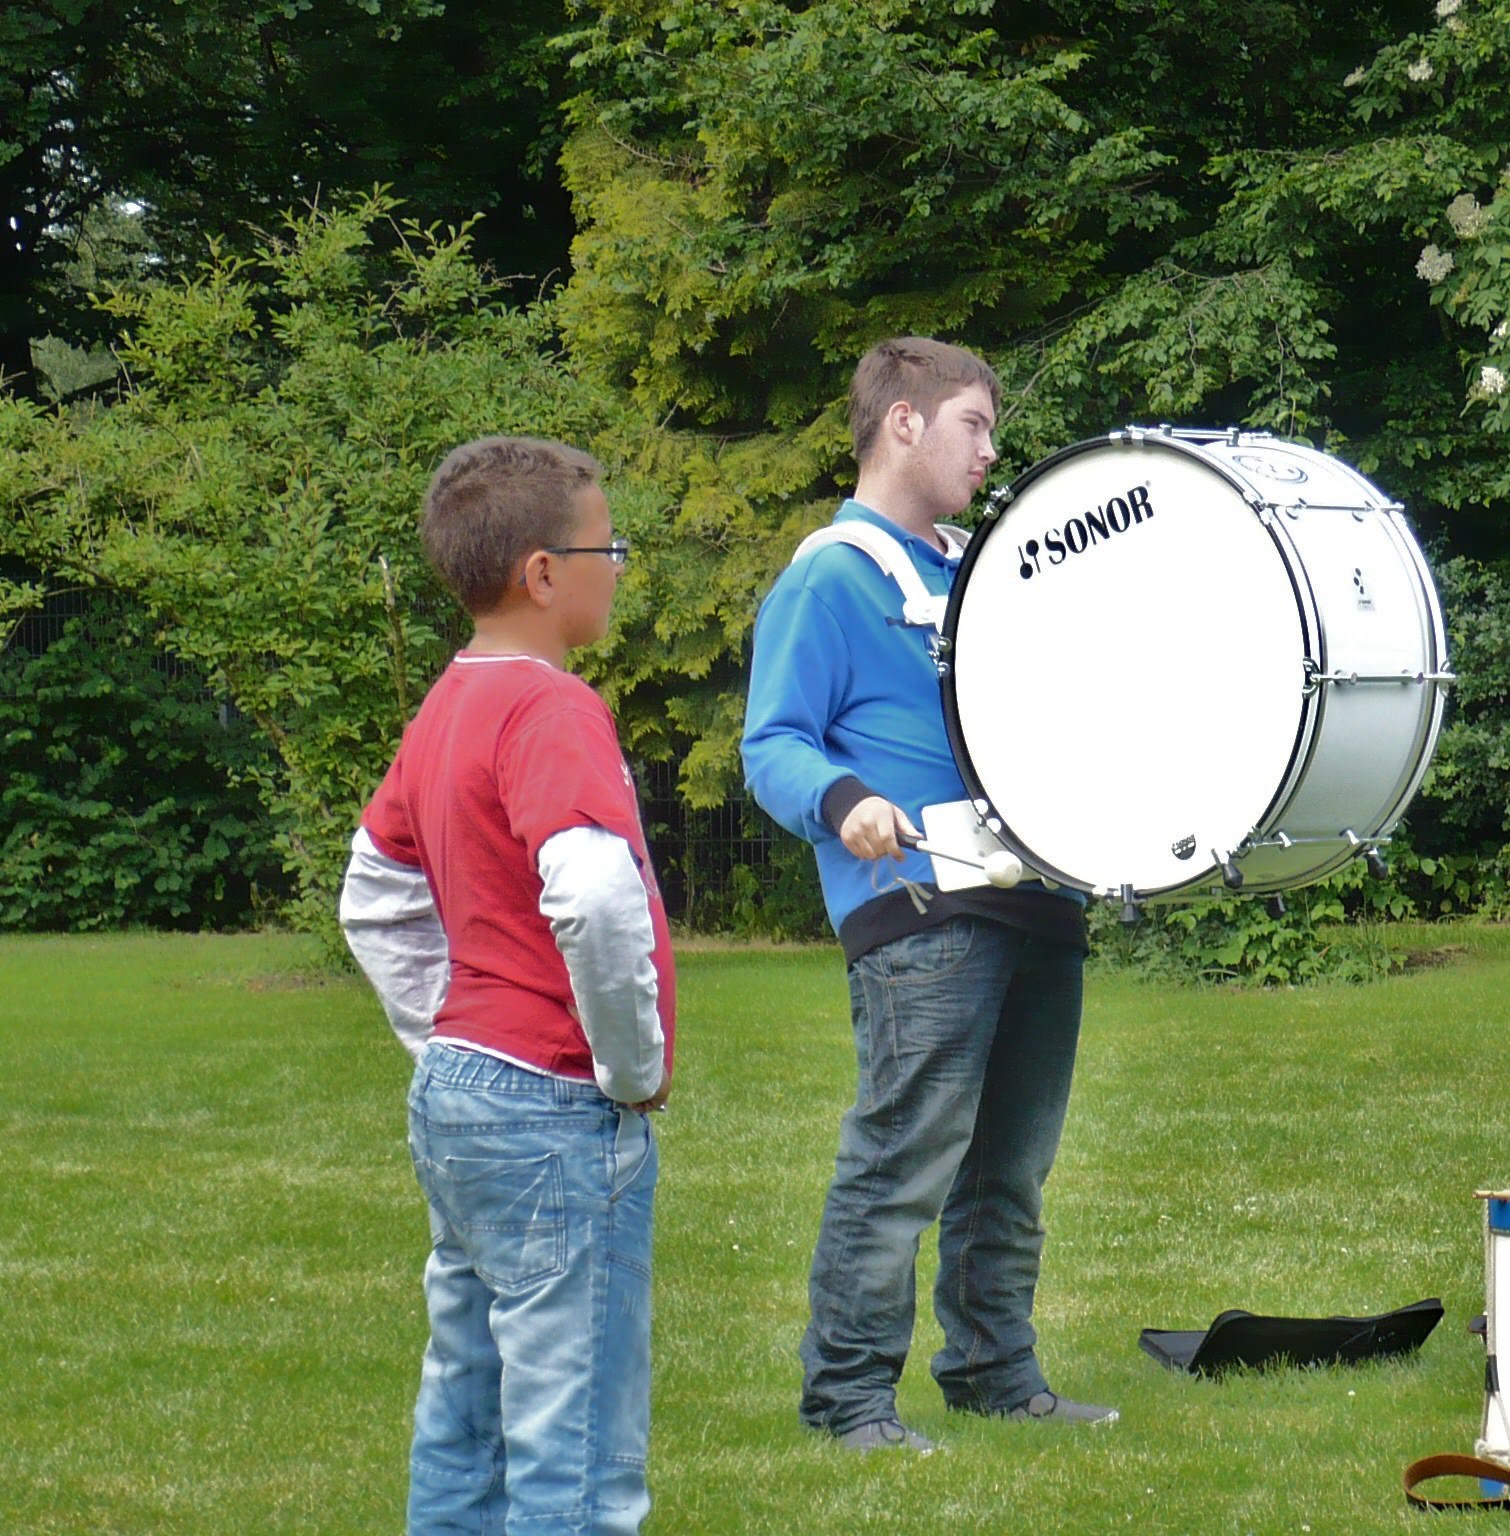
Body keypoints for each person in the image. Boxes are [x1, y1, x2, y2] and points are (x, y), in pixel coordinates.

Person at [742, 337, 1110, 1453]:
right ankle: (848, 1399)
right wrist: (843, 797)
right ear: (902, 422)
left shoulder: (986, 572)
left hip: (1037, 895)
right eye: (973, 426)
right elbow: (772, 743)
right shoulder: (829, 577)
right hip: (918, 907)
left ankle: (994, 1372)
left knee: (1011, 1168)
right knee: (902, 1160)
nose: (991, 452)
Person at [338, 436, 676, 1533]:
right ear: (541, 573)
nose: (616, 566)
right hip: (554, 1102)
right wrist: (630, 1066)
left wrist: (447, 1036)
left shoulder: (447, 703)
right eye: (606, 548)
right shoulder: (551, 708)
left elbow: (372, 892)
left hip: (460, 1098)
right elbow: (596, 894)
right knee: (574, 1458)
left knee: (465, 1418)